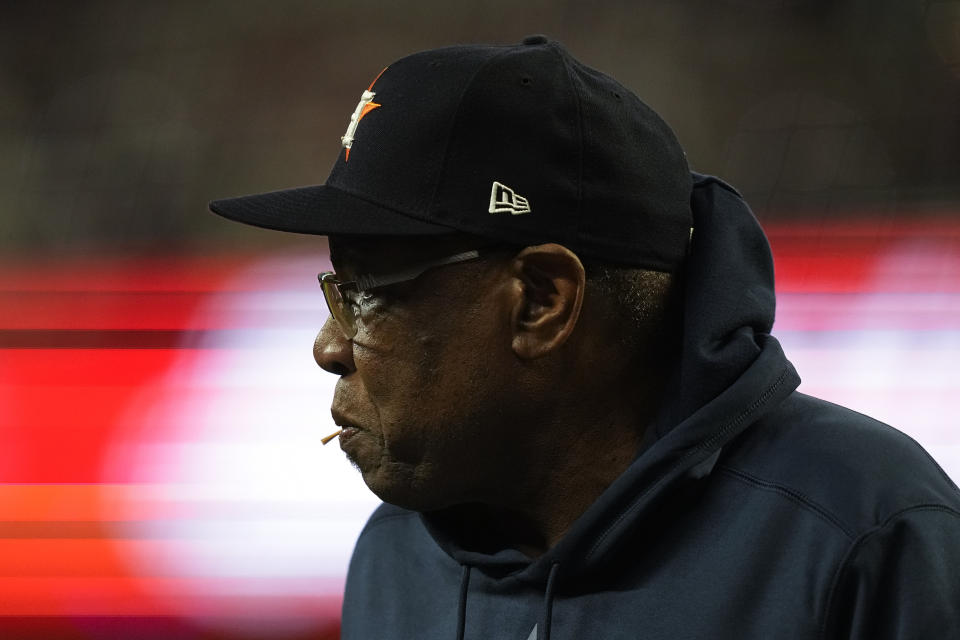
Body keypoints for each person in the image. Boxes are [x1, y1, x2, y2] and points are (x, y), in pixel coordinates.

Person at [210, 36, 960, 640]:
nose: (328, 347)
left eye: (369, 292)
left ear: (542, 301)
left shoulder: (864, 534)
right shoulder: (394, 553)